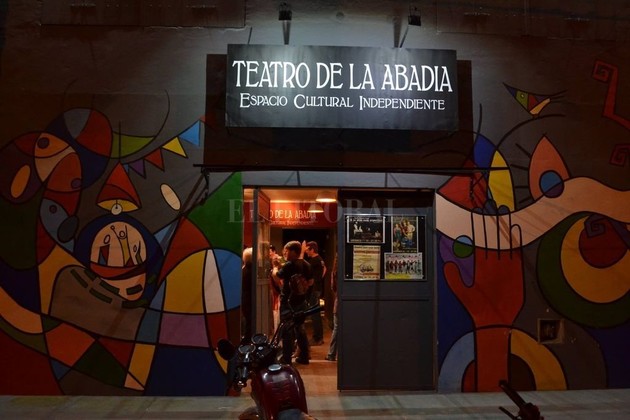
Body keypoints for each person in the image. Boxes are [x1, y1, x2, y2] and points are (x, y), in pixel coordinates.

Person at [275, 240, 312, 365]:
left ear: (294, 252)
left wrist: (275, 267)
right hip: (301, 300)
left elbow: (277, 276)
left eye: (287, 251)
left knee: (287, 330)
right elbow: (311, 282)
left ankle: (286, 358)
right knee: (300, 328)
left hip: (288, 301)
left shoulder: (289, 265)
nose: (285, 253)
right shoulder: (306, 264)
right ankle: (304, 356)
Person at [304, 240, 326, 346]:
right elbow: (325, 269)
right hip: (318, 288)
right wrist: (319, 279)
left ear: (312, 250)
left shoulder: (314, 260)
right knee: (315, 313)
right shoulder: (320, 259)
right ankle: (318, 337)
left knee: (315, 314)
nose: (306, 252)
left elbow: (304, 269)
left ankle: (317, 338)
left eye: (307, 250)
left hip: (314, 290)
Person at [325, 252, 339, 362]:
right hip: (347, 303)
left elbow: (333, 288)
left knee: (337, 328)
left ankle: (332, 354)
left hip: (338, 302)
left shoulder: (334, 271)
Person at [269, 244, 285, 331]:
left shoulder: (278, 259)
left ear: (274, 251)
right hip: (274, 289)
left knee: (277, 311)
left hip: (278, 289)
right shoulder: (269, 260)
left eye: (270, 251)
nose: (268, 253)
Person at [241, 247, 254, 339]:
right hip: (249, 297)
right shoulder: (252, 270)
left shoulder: (244, 269)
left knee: (247, 319)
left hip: (245, 297)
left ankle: (246, 338)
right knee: (250, 320)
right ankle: (247, 339)